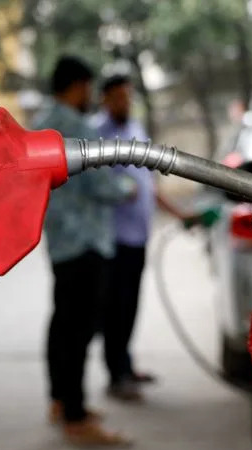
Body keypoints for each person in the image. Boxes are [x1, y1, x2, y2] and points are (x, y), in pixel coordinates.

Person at [31, 57, 136, 446]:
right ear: (77, 86)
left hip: (60, 242)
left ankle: (60, 401)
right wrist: (130, 188)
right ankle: (76, 417)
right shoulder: (75, 128)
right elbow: (104, 186)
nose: (90, 96)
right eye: (88, 88)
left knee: (62, 325)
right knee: (78, 331)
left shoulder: (41, 124)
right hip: (87, 244)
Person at [94, 74, 193, 401]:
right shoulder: (97, 135)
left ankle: (126, 365)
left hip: (138, 237)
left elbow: (149, 183)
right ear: (104, 99)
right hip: (113, 239)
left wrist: (179, 214)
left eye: (128, 97)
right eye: (118, 97)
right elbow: (97, 187)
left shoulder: (135, 130)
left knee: (130, 305)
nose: (124, 103)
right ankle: (116, 375)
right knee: (115, 308)